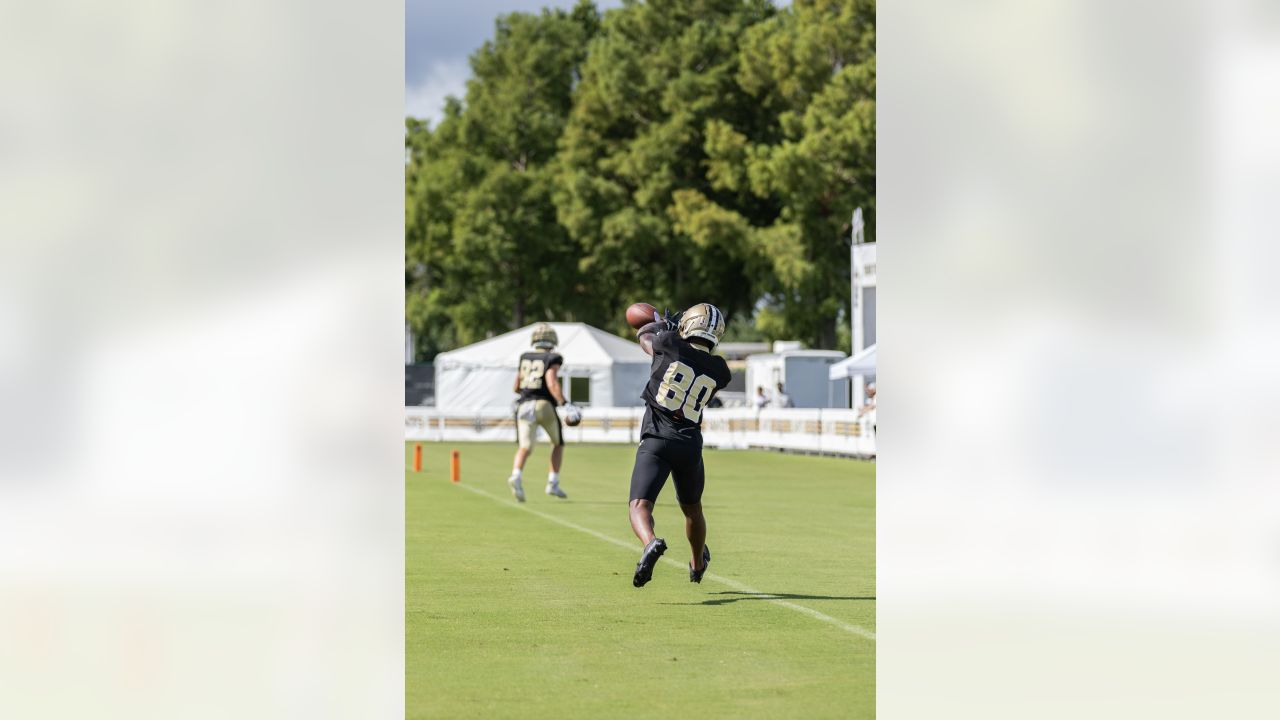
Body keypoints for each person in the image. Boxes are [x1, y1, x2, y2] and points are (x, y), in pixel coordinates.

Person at [628, 303, 731, 588]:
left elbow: (645, 339)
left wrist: (658, 325)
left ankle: (650, 543)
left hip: (657, 438)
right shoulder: (721, 370)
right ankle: (697, 563)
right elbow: (691, 359)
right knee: (693, 510)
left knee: (639, 506)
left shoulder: (668, 342)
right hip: (689, 445)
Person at [507, 323, 573, 501]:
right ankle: (553, 482)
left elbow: (516, 386)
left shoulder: (525, 357)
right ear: (552, 341)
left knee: (525, 447)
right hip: (544, 404)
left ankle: (516, 475)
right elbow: (551, 382)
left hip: (523, 405)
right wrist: (564, 402)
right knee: (557, 443)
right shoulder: (552, 357)